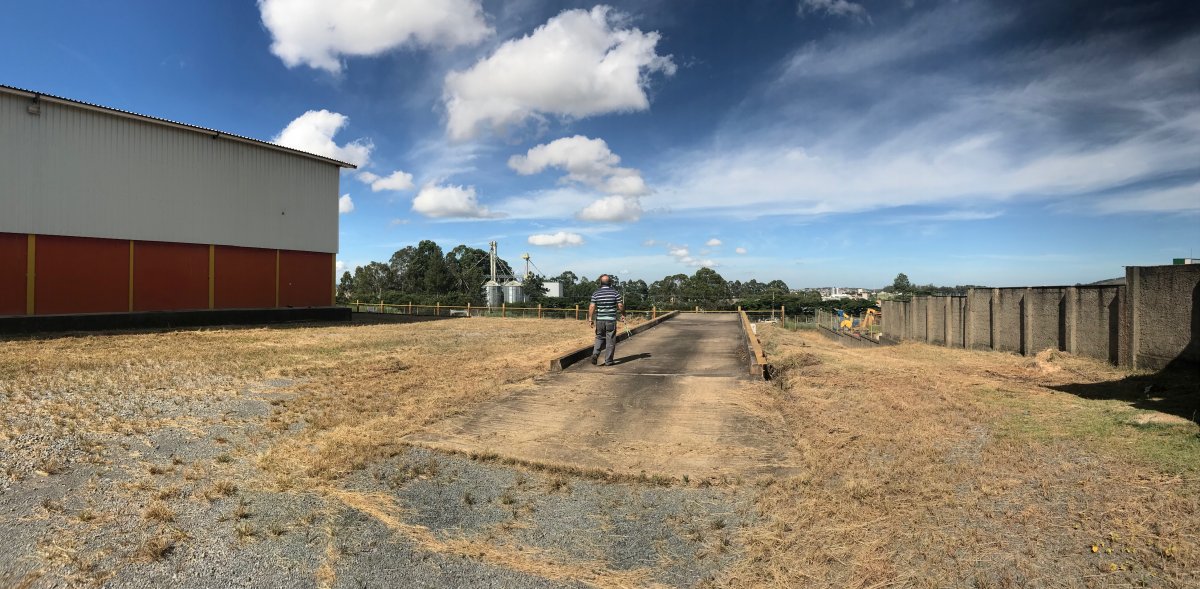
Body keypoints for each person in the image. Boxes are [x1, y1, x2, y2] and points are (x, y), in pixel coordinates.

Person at [588, 274, 624, 366]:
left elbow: (592, 306)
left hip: (600, 320)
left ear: (600, 282)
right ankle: (608, 361)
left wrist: (590, 318)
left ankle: (595, 354)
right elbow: (620, 305)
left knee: (599, 337)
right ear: (610, 282)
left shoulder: (596, 293)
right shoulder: (615, 293)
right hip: (611, 320)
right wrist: (623, 314)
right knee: (610, 340)